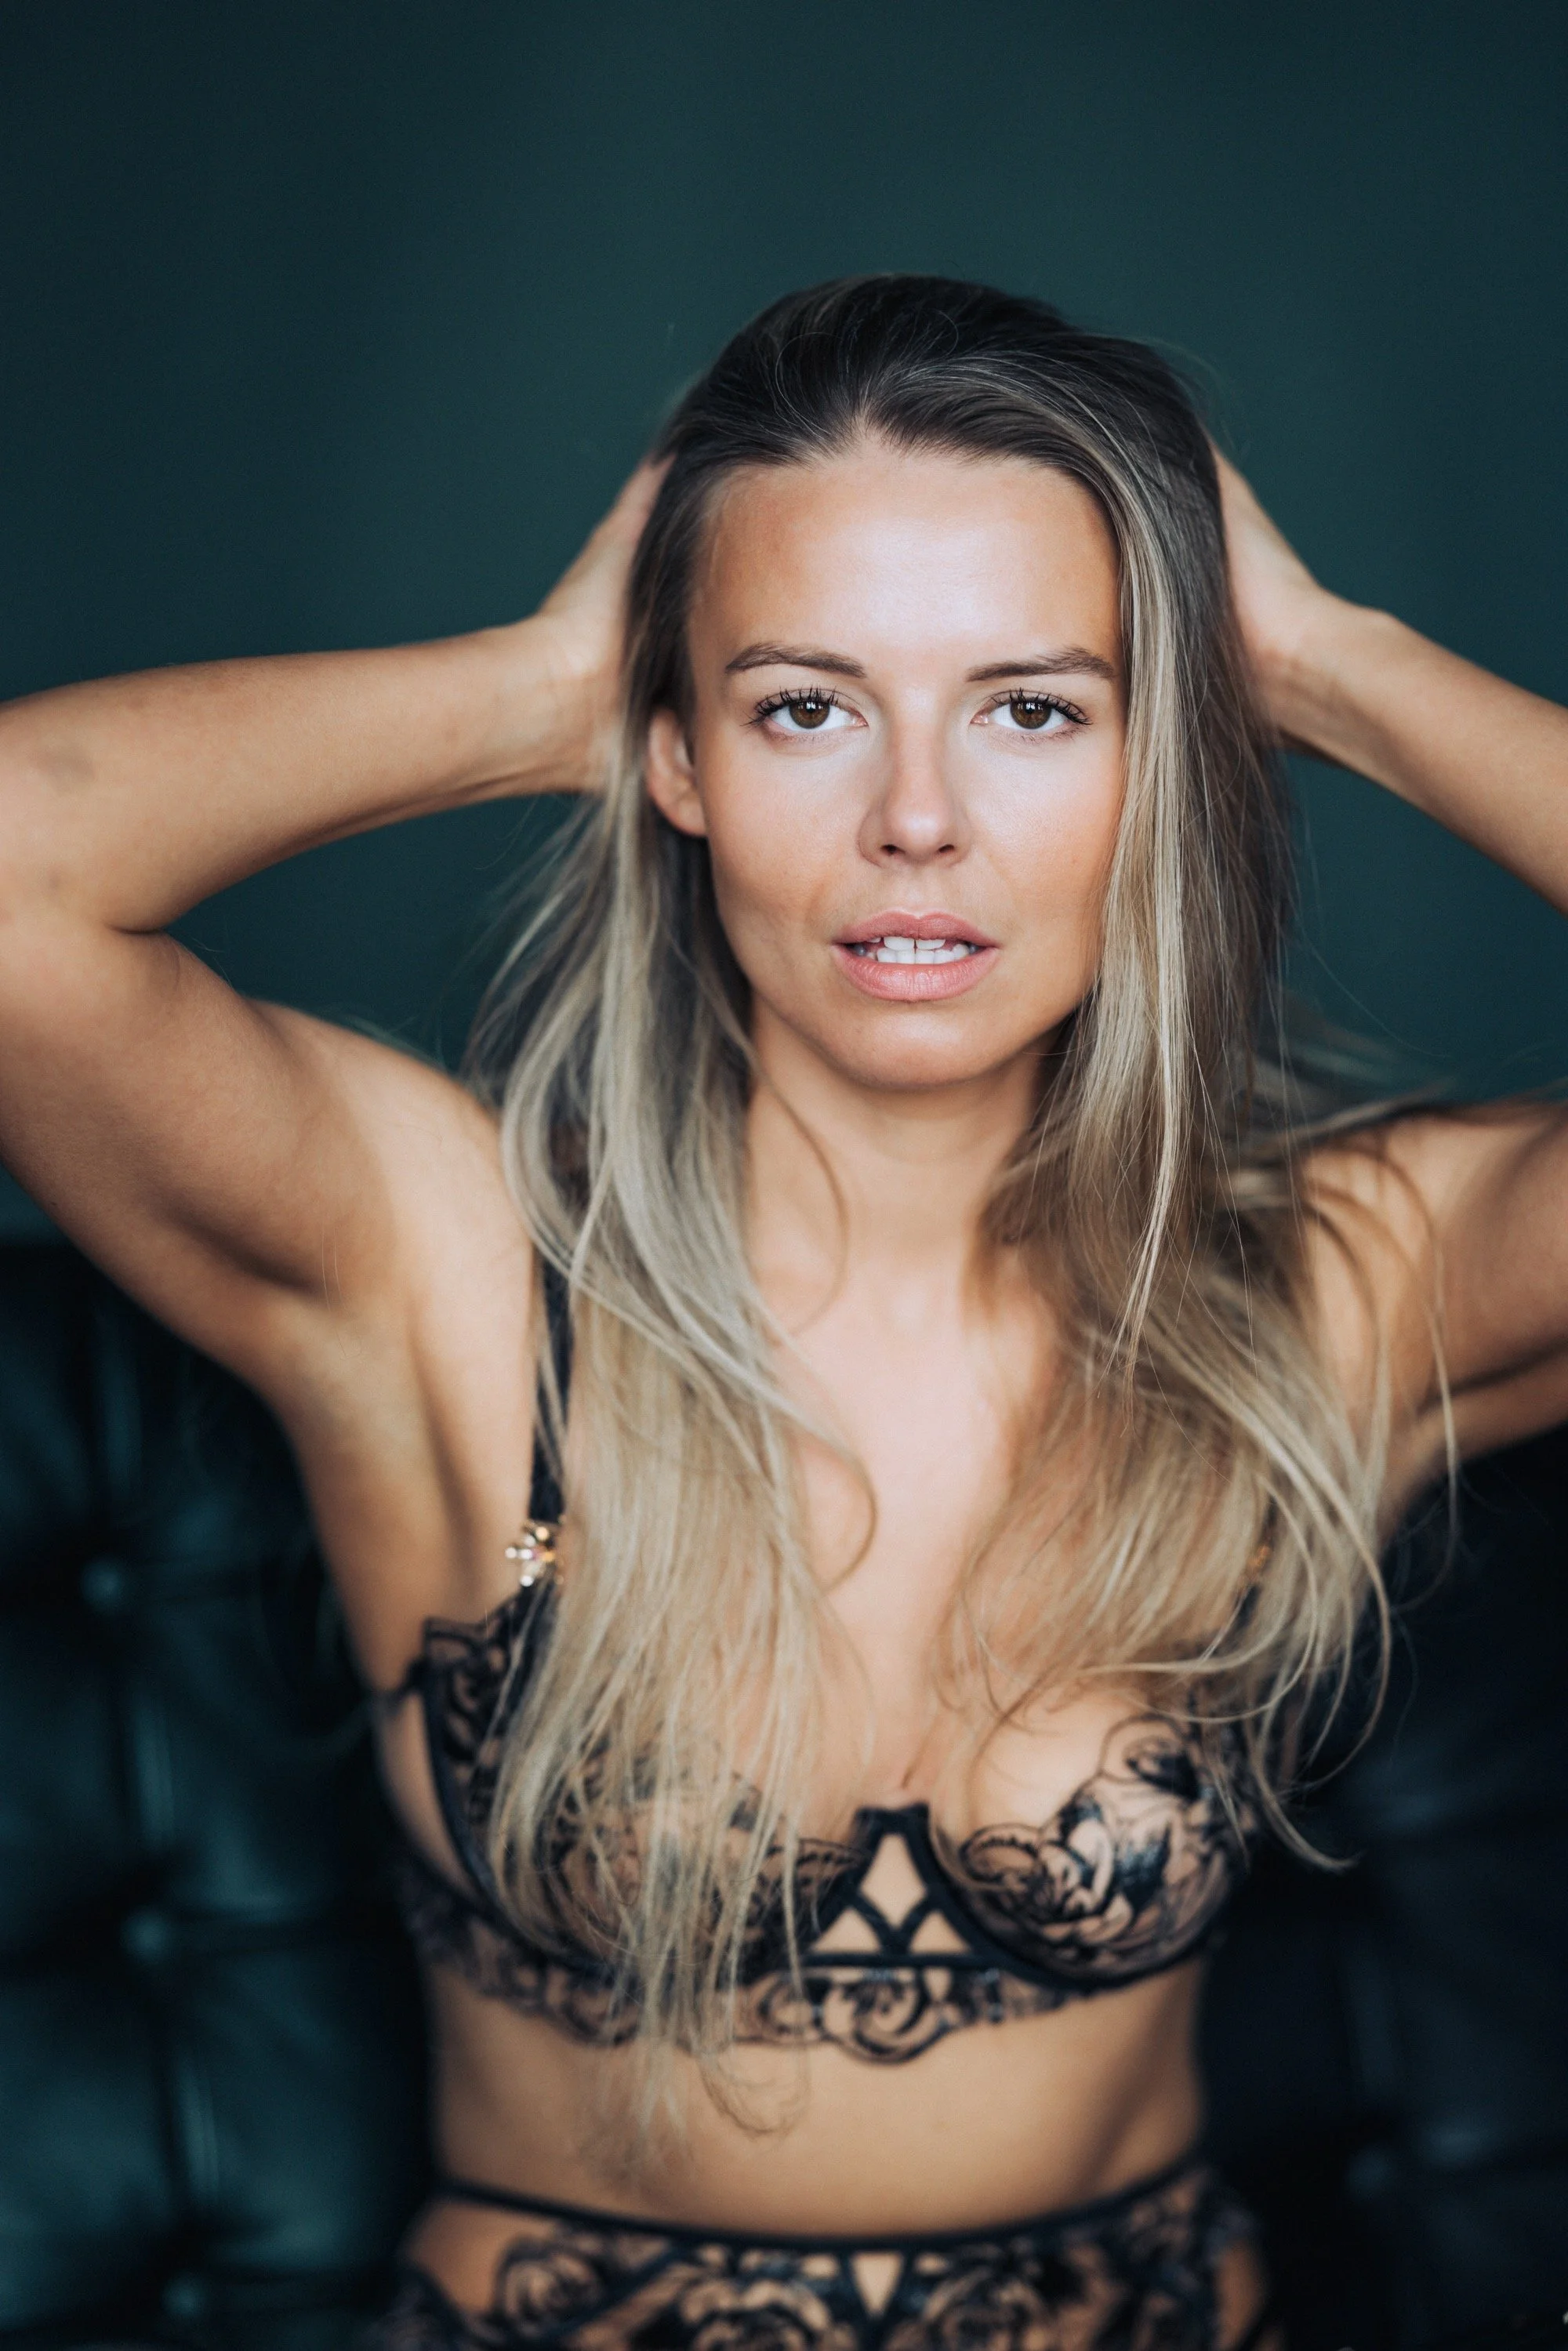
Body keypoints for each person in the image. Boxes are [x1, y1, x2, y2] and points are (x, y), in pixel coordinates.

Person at [2, 275, 1566, 2351]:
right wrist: (531, 684)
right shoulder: (451, 1269)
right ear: (677, 759)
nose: (917, 818)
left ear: (1160, 761)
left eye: (1035, 706)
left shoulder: (1336, 1288)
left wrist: (1328, 664)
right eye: (802, 705)